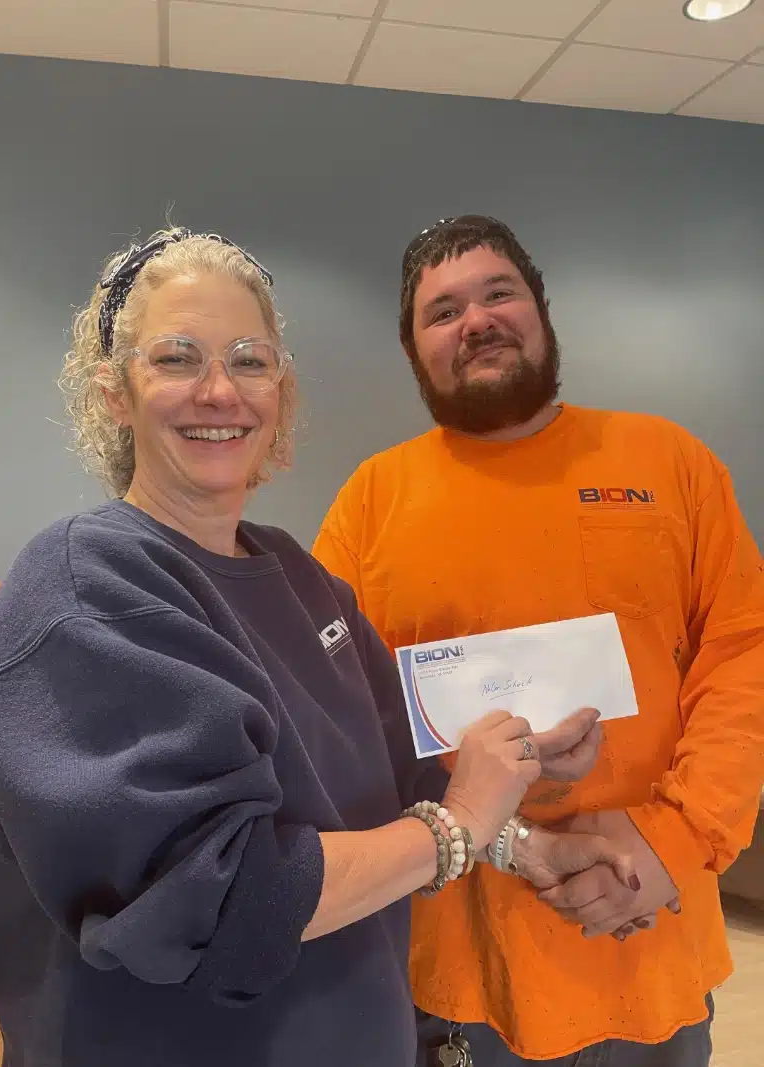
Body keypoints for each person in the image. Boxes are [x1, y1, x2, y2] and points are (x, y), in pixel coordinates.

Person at [0, 226, 613, 1067]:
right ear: (113, 393)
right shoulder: (82, 589)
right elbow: (225, 896)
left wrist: (532, 837)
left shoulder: (304, 581)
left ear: (280, 390)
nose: (218, 389)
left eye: (248, 359)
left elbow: (403, 775)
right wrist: (456, 826)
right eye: (175, 358)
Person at [313, 214, 764, 1066]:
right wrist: (505, 837)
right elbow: (337, 715)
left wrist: (679, 838)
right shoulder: (371, 503)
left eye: (498, 293)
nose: (475, 319)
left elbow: (744, 650)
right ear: (415, 352)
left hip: (649, 936)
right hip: (458, 963)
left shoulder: (670, 462)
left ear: (541, 312)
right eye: (441, 312)